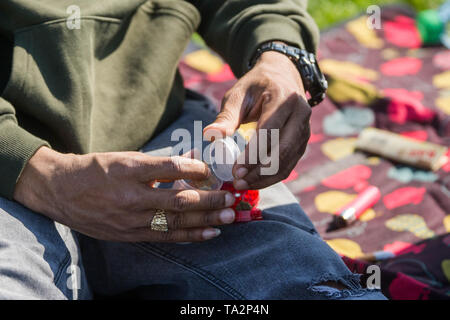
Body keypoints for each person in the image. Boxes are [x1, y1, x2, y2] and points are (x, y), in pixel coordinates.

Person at [0, 0, 386, 299]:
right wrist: (33, 171)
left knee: (303, 277)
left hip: (161, 136)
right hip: (10, 174)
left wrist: (280, 56)